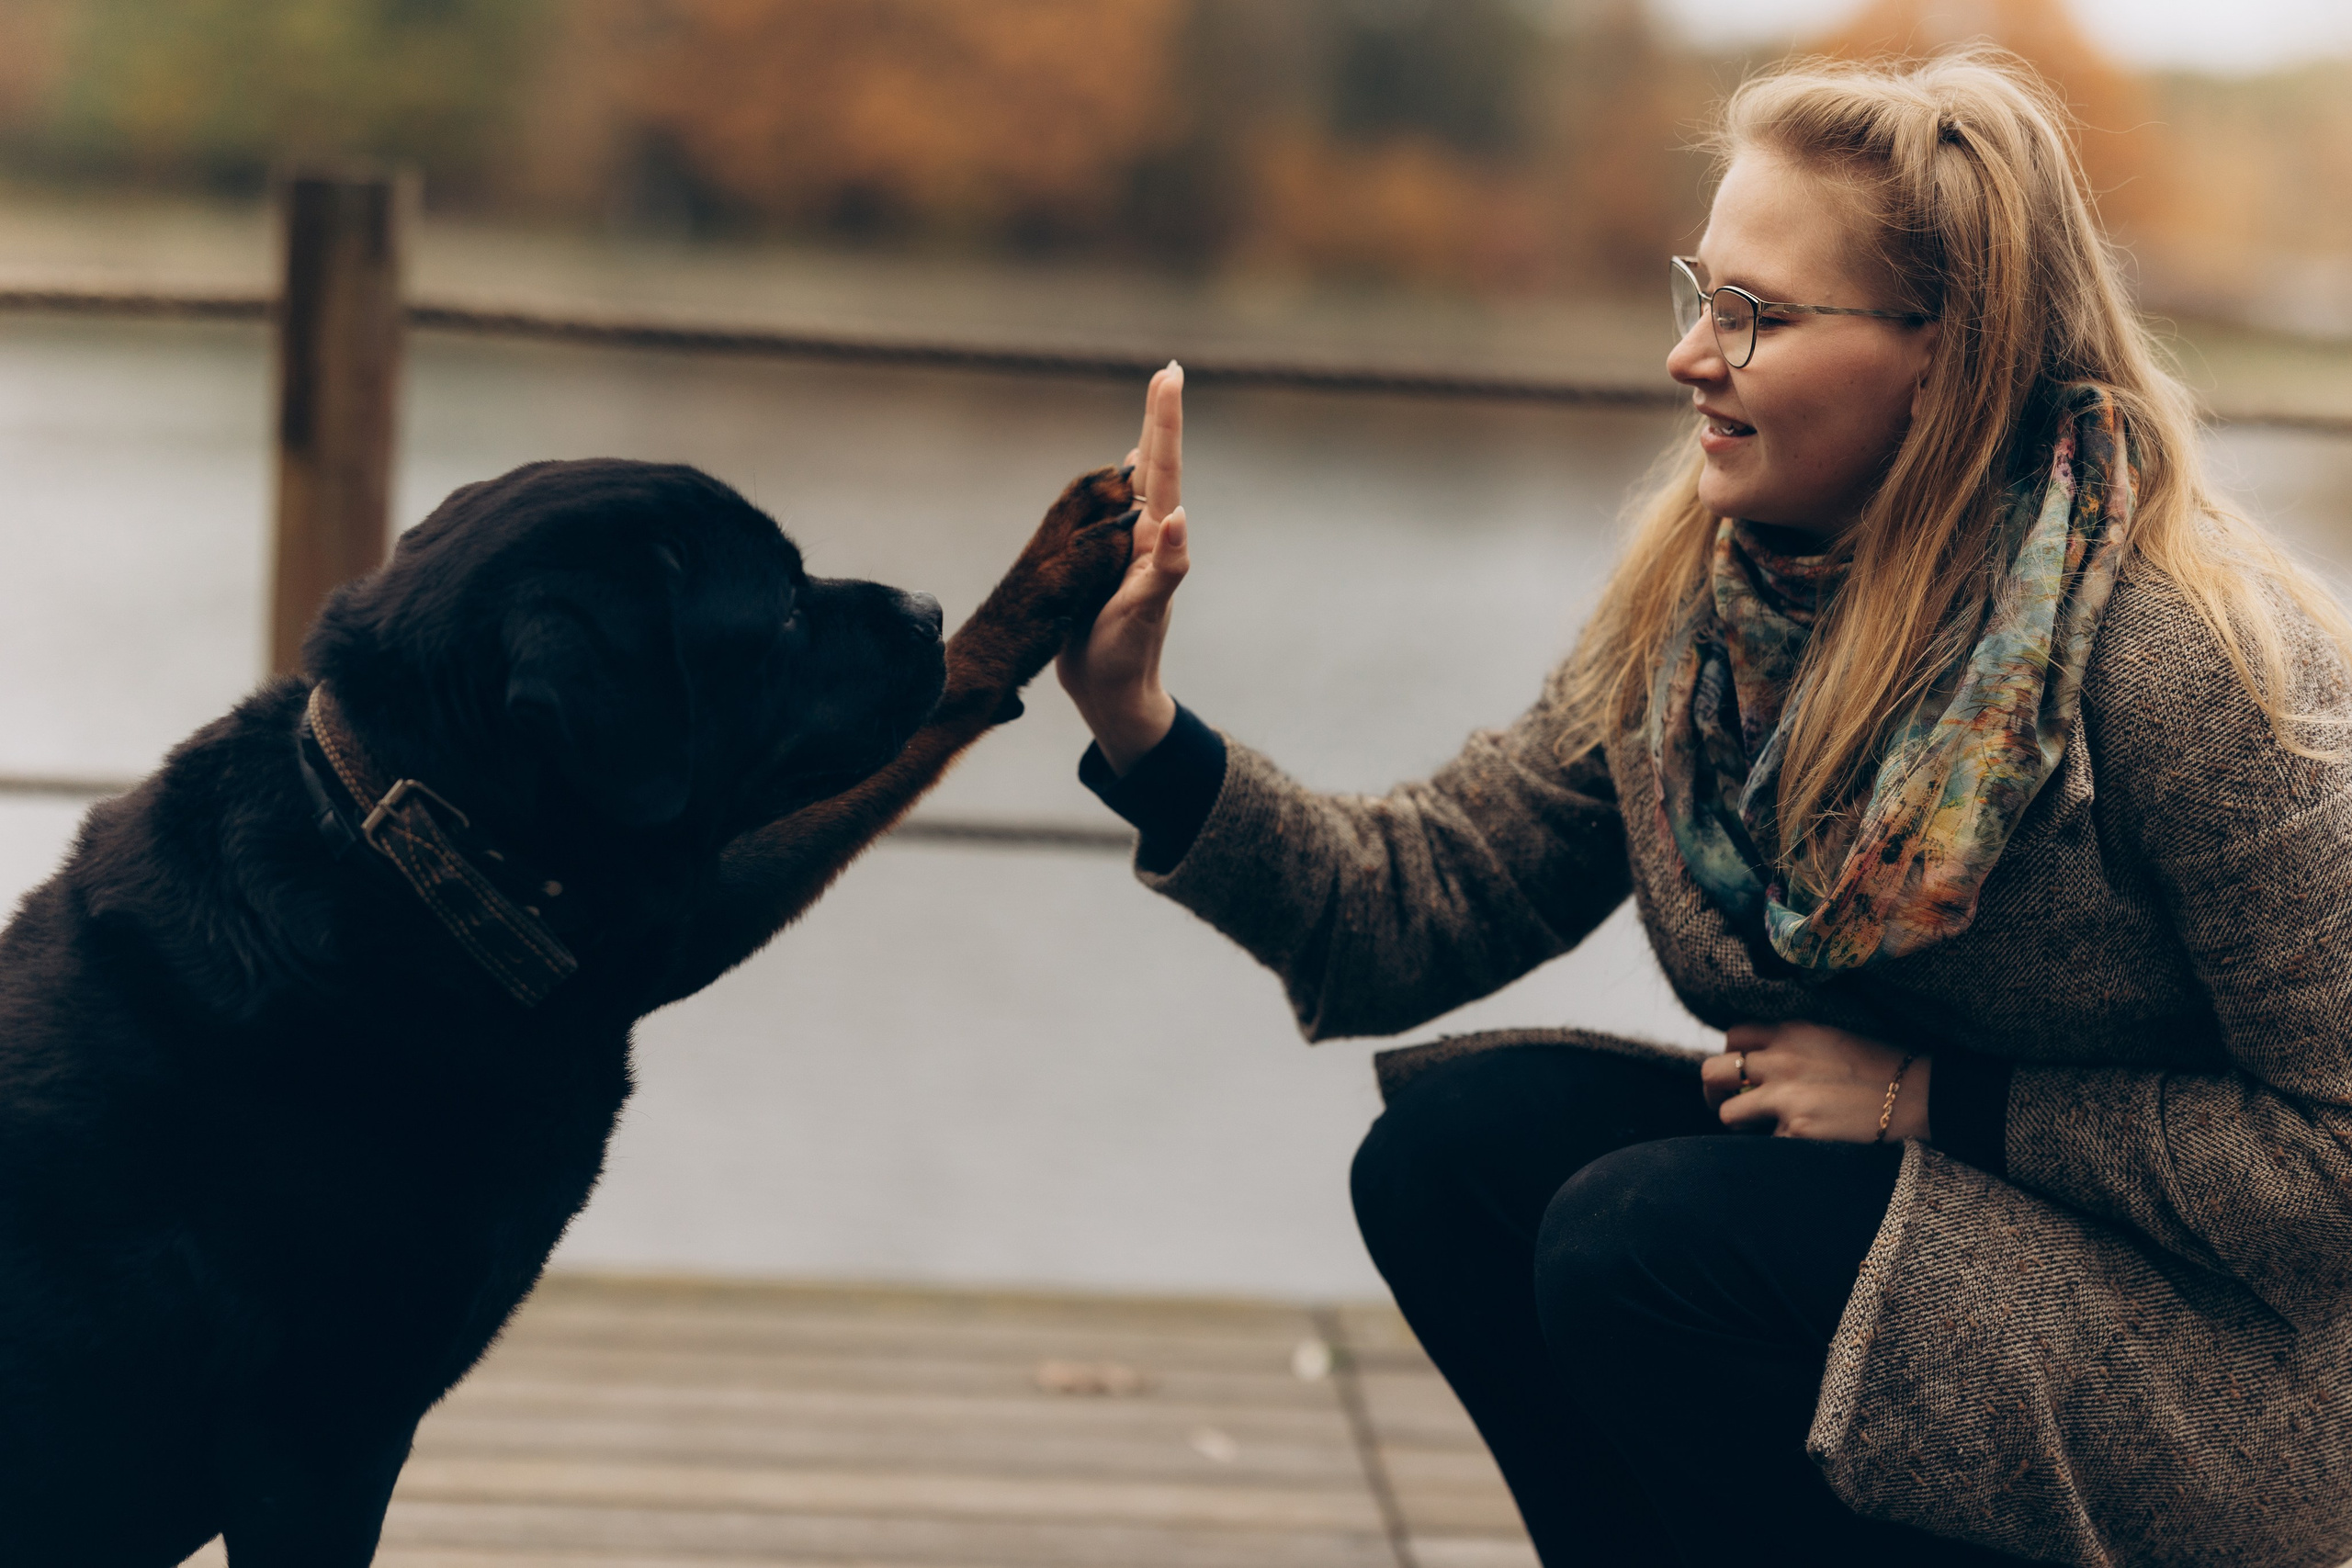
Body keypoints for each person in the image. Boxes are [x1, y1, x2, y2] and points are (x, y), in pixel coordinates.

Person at [1050, 49, 2352, 1568]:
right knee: (1454, 1160)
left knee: (1641, 1250)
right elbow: (1409, 906)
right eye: (1699, 291)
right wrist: (1138, 722)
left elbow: (2333, 1163)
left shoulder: (2183, 664)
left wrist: (1933, 1101)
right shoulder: (1714, 609)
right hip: (1916, 1227)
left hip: (2210, 1365)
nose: (1690, 355)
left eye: (1758, 315)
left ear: (1948, 352)